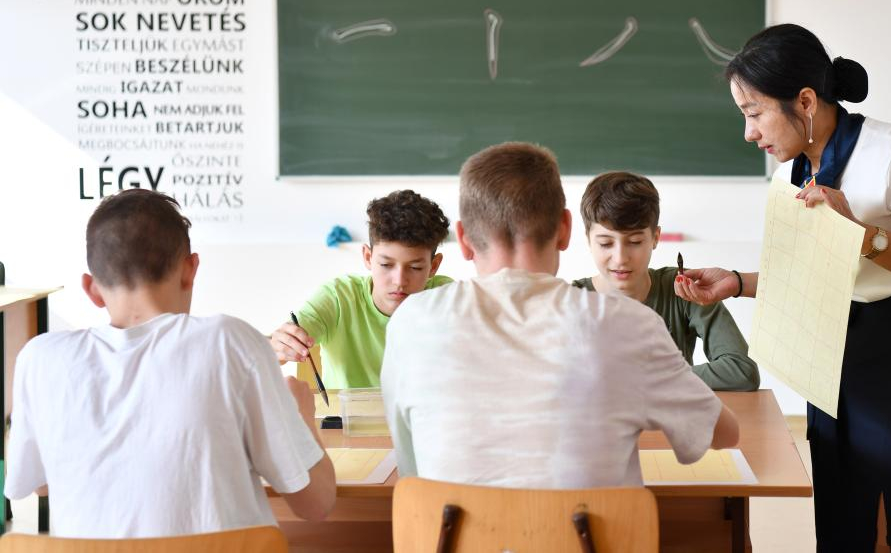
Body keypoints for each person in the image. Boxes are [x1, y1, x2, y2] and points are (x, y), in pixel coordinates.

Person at [676, 24, 891, 552]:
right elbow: (819, 273)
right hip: (834, 362)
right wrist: (738, 283)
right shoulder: (790, 174)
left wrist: (862, 235)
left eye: (753, 113)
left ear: (806, 101)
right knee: (841, 529)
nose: (748, 134)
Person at [382, 142, 739, 488]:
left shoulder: (410, 322)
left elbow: (410, 464)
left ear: (461, 239)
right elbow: (725, 434)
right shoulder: (629, 325)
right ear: (566, 230)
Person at [4, 189, 335, 538]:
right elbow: (315, 503)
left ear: (92, 289)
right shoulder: (231, 342)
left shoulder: (40, 360)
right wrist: (302, 417)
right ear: (190, 270)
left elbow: (41, 486)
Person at [572, 171, 759, 391]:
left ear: (655, 238)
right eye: (605, 243)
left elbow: (741, 371)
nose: (621, 258)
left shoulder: (683, 290)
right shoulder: (571, 300)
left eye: (635, 241)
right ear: (588, 239)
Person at [271, 189, 451, 388]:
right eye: (386, 265)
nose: (399, 280)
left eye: (415, 267)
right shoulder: (339, 298)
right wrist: (279, 346)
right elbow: (273, 352)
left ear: (433, 266)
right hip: (347, 418)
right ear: (368, 257)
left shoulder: (448, 299)